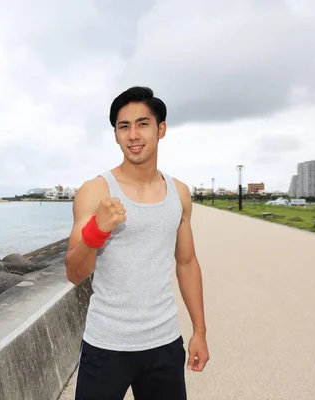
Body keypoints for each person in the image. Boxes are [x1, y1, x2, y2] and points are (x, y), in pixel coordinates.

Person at [64, 86, 209, 399]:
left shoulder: (179, 193)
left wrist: (199, 330)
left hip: (164, 342)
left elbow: (186, 262)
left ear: (161, 130)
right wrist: (96, 231)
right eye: (123, 126)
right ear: (116, 135)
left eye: (143, 124)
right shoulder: (95, 191)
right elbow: (74, 272)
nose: (133, 135)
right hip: (106, 344)